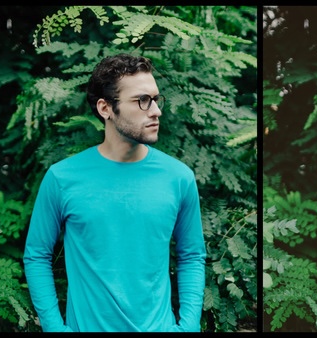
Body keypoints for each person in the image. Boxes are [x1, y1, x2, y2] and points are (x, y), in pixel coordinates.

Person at [23, 53, 207, 332]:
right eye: (142, 101)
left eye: (156, 99)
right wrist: (54, 327)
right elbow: (37, 254)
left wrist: (189, 326)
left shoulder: (178, 178)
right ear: (105, 108)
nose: (156, 110)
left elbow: (192, 255)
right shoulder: (62, 178)